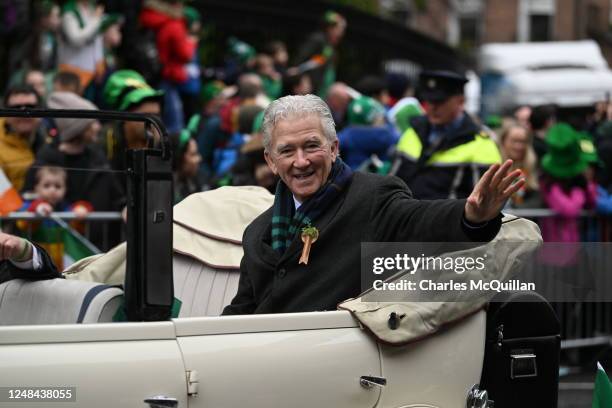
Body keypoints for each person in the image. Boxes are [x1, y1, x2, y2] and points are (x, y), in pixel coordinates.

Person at [222, 95, 524, 315]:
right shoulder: (258, 231)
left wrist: (471, 215)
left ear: (334, 148)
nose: (301, 161)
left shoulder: (372, 198)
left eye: (312, 146)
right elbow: (242, 313)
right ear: (271, 162)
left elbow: (420, 219)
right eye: (287, 150)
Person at [392, 70, 502, 200]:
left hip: (448, 220)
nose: (432, 107)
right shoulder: (412, 132)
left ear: (461, 102)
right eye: (429, 101)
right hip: (407, 218)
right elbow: (392, 183)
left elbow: (484, 204)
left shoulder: (482, 145)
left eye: (440, 102)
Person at [17, 166, 91, 270]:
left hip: (60, 264)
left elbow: (76, 226)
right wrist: (38, 209)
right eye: (46, 186)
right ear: (36, 188)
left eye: (58, 186)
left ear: (65, 189)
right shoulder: (28, 206)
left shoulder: (64, 208)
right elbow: (22, 223)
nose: (52, 190)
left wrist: (81, 209)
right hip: (34, 263)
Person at [0, 84, 45, 191]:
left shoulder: (50, 139)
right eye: (16, 108)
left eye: (30, 107)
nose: (24, 113)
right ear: (5, 113)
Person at [293, 11, 346, 99]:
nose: (341, 32)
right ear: (330, 28)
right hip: (307, 90)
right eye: (339, 28)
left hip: (321, 90)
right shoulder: (317, 39)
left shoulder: (330, 47)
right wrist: (303, 78)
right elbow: (300, 61)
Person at [498, 121, 540, 208]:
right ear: (503, 141)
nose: (519, 146)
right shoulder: (495, 167)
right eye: (514, 141)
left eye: (522, 142)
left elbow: (538, 199)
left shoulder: (532, 168)